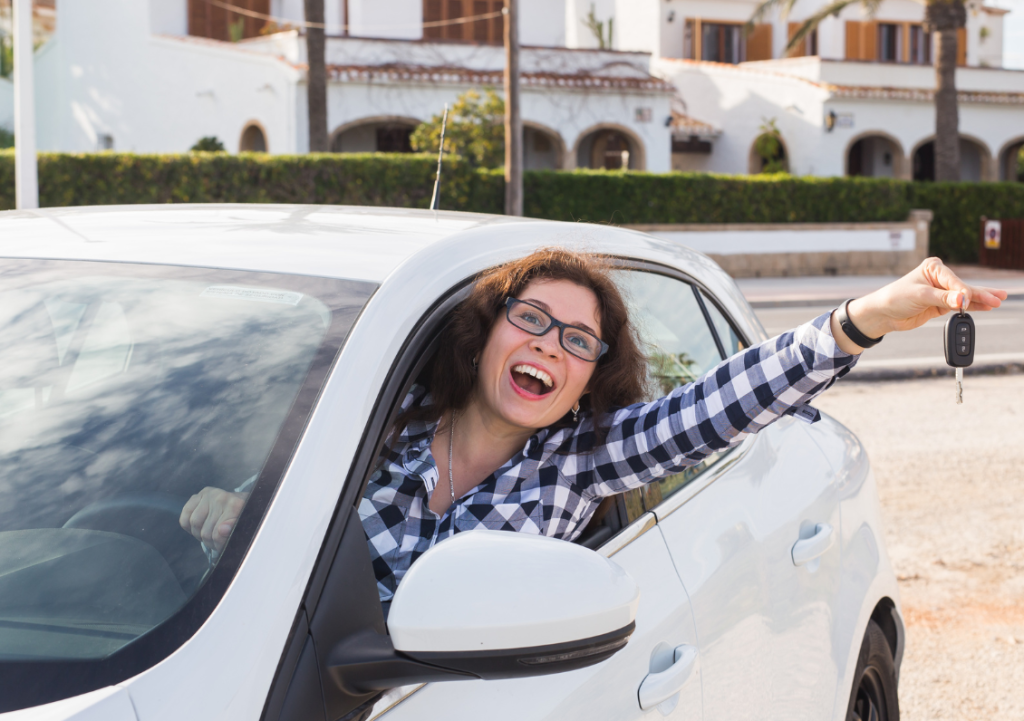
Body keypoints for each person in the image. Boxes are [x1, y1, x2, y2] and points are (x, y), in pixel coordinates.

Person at [180, 249, 1007, 603]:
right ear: (487, 333)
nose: (550, 343)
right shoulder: (383, 423)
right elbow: (275, 512)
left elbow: (715, 404)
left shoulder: (577, 461)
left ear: (585, 382)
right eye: (532, 317)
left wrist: (860, 319)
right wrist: (226, 508)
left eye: (579, 339)